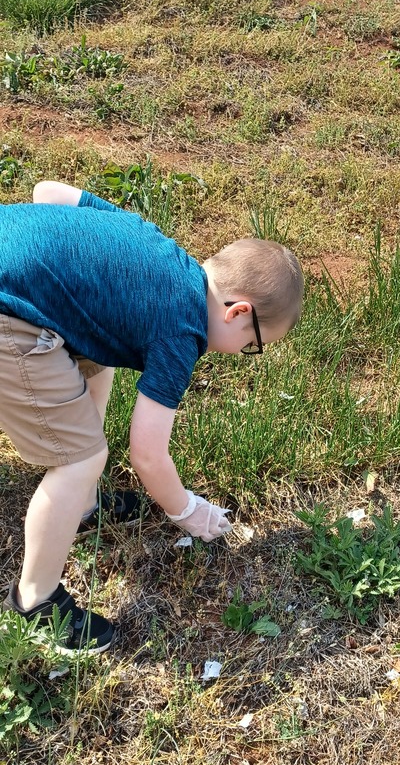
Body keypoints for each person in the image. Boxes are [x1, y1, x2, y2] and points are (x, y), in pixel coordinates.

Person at [0, 180, 304, 654]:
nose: (244, 352)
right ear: (237, 312)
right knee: (80, 459)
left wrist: (61, 254)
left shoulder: (154, 241)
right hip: (9, 316)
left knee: (97, 368)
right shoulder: (181, 330)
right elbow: (147, 453)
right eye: (251, 345)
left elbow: (48, 193)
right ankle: (36, 602)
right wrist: (186, 510)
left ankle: (81, 507)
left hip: (11, 255)